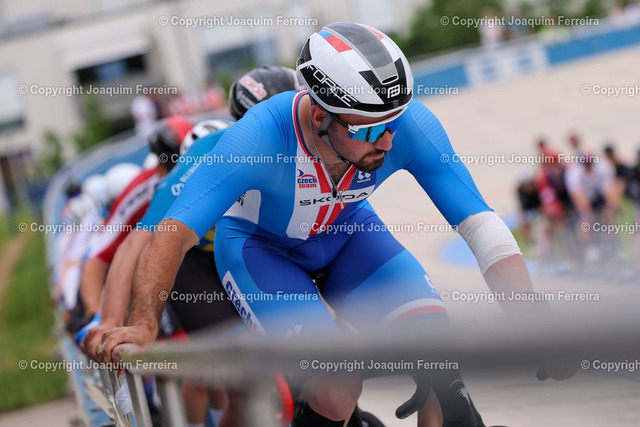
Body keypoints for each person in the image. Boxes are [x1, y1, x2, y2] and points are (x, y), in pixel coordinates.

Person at [99, 23, 547, 426]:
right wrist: (142, 324)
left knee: (441, 366)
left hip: (347, 233)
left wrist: (527, 312)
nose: (387, 142)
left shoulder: (402, 124)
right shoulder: (256, 138)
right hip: (261, 250)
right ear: (320, 117)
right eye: (368, 131)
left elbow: (480, 225)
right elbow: (169, 236)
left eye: (393, 124)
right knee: (335, 389)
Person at [84, 66, 300, 427]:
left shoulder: (308, 147)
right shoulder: (203, 157)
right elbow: (136, 243)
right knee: (245, 386)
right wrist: (109, 322)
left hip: (250, 253)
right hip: (196, 265)